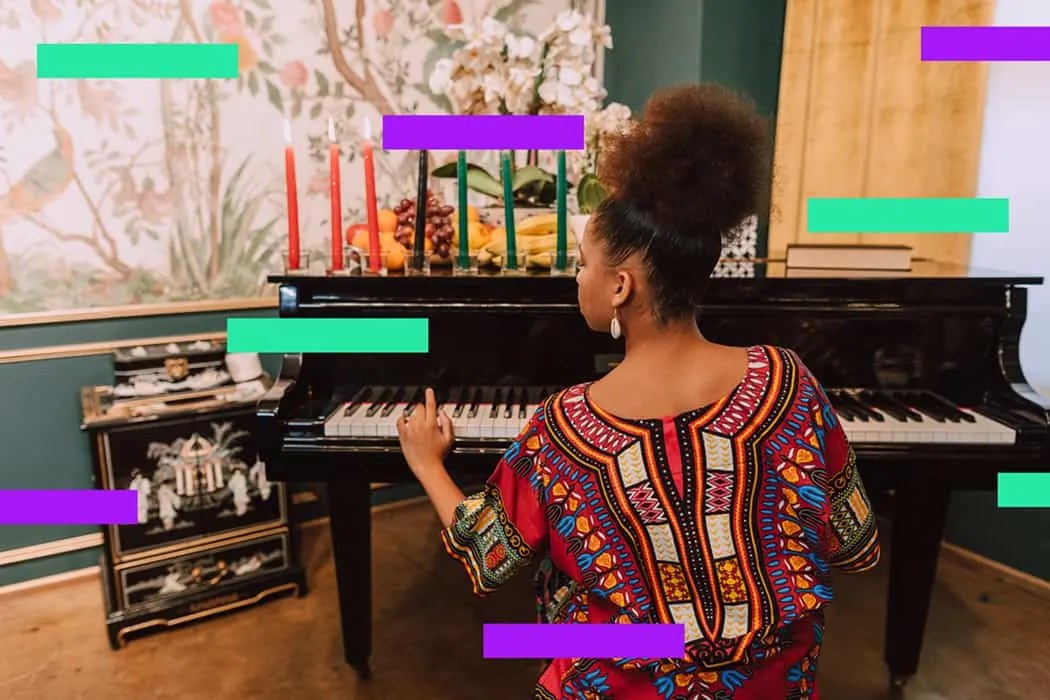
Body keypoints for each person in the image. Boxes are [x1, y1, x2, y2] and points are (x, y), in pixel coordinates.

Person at [396, 83, 880, 699]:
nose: (577, 278)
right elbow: (857, 546)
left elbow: (489, 558)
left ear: (620, 287)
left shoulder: (564, 428)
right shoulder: (790, 382)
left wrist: (427, 462)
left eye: (581, 264)